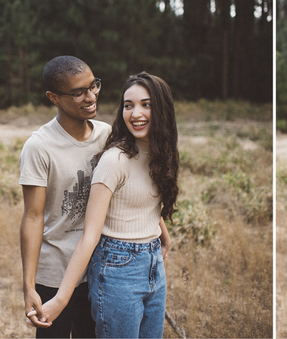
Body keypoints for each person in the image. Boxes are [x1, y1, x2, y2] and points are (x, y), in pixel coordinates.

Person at [38, 72, 179, 338]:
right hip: (117, 268)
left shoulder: (162, 153)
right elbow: (90, 236)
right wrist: (60, 299)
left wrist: (163, 235)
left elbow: (144, 201)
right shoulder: (116, 160)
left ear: (163, 108)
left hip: (154, 267)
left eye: (145, 104)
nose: (135, 113)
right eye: (128, 105)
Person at [19, 55, 108, 338]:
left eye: (93, 86)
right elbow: (33, 216)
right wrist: (29, 286)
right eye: (78, 92)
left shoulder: (107, 134)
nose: (90, 96)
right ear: (53, 97)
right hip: (55, 273)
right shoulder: (39, 147)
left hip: (99, 268)